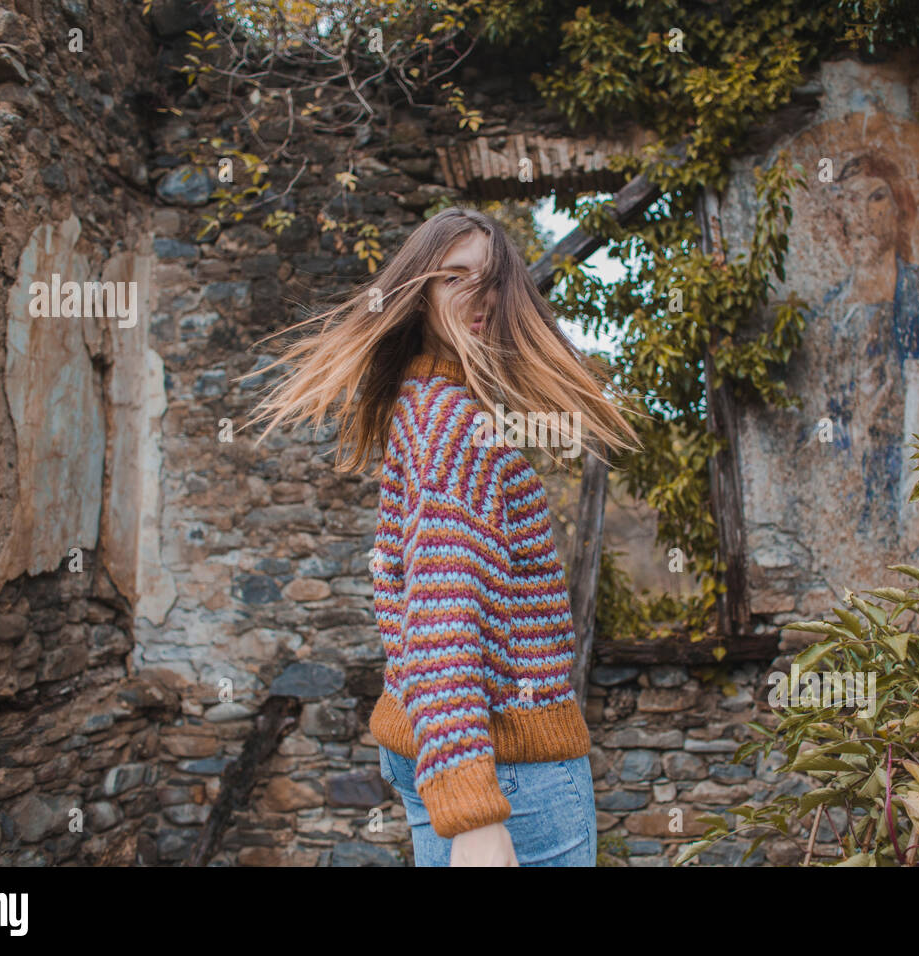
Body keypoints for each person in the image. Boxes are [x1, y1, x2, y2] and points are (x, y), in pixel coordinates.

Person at [243, 206, 643, 865]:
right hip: (508, 764)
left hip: (442, 744)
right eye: (452, 277)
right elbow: (442, 617)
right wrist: (476, 810)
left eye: (490, 280)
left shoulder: (425, 405)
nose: (477, 297)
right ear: (420, 292)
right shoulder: (454, 425)